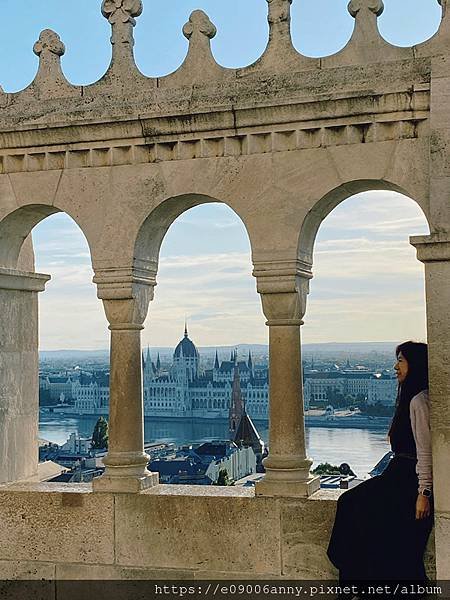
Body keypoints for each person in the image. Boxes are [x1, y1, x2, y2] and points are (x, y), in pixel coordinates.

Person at [327, 341, 433, 588]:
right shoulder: (411, 398)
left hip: (408, 480)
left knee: (350, 505)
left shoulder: (419, 401)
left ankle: (354, 582)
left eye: (401, 360)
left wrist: (424, 493)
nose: (395, 367)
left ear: (414, 365)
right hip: (399, 475)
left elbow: (425, 452)